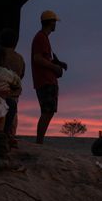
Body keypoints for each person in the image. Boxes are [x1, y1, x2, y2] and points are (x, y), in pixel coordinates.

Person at [31, 10, 67, 144]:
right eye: (54, 21)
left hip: (47, 80)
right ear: (50, 22)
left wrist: (58, 63)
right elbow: (38, 59)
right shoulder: (40, 37)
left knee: (48, 111)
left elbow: (44, 58)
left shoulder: (44, 38)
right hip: (45, 80)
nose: (55, 24)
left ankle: (39, 141)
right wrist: (55, 68)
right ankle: (39, 142)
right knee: (47, 112)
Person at [0, 29, 26, 146]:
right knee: (12, 118)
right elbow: (22, 75)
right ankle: (9, 137)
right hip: (13, 93)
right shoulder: (19, 58)